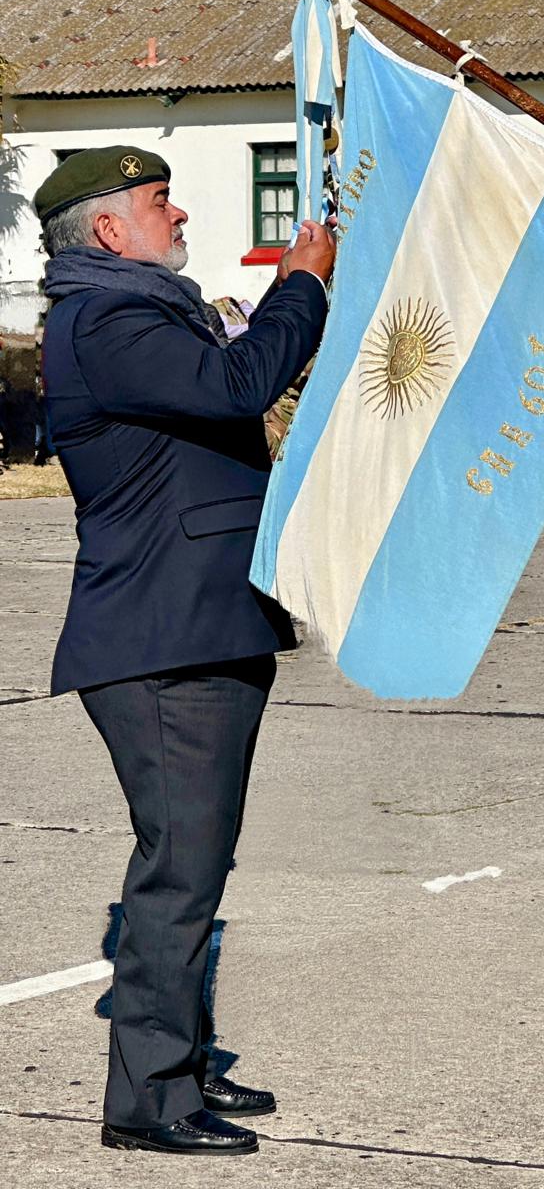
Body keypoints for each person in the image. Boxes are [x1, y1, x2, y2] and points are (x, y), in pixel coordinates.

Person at [35, 145, 335, 1157]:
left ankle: (183, 1060)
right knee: (179, 872)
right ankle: (150, 1100)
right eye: (159, 201)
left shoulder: (142, 311)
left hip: (200, 627)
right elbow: (237, 385)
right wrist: (300, 286)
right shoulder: (108, 320)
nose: (181, 214)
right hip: (162, 643)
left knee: (196, 863)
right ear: (108, 229)